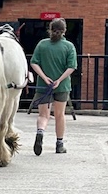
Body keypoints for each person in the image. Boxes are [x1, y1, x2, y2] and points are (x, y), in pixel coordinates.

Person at [30, 18, 77, 155]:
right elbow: (71, 67)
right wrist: (59, 80)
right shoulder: (69, 46)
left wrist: (44, 78)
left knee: (43, 115)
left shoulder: (42, 44)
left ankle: (40, 132)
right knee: (59, 115)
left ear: (49, 29)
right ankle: (59, 144)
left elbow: (34, 63)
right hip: (62, 86)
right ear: (64, 31)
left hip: (43, 85)